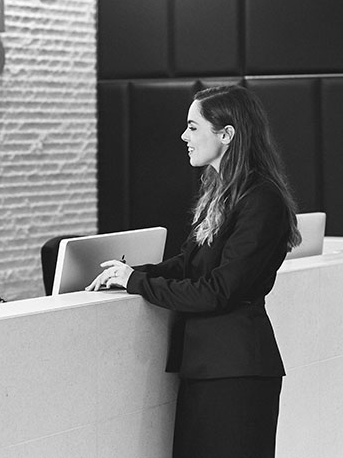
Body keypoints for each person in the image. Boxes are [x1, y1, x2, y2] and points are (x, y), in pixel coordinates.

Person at [87, 85, 301, 458]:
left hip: (236, 374)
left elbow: (217, 290)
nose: (184, 137)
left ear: (227, 134)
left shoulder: (261, 200)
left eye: (193, 127)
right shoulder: (221, 191)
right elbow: (188, 264)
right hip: (207, 368)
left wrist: (137, 282)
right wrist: (128, 273)